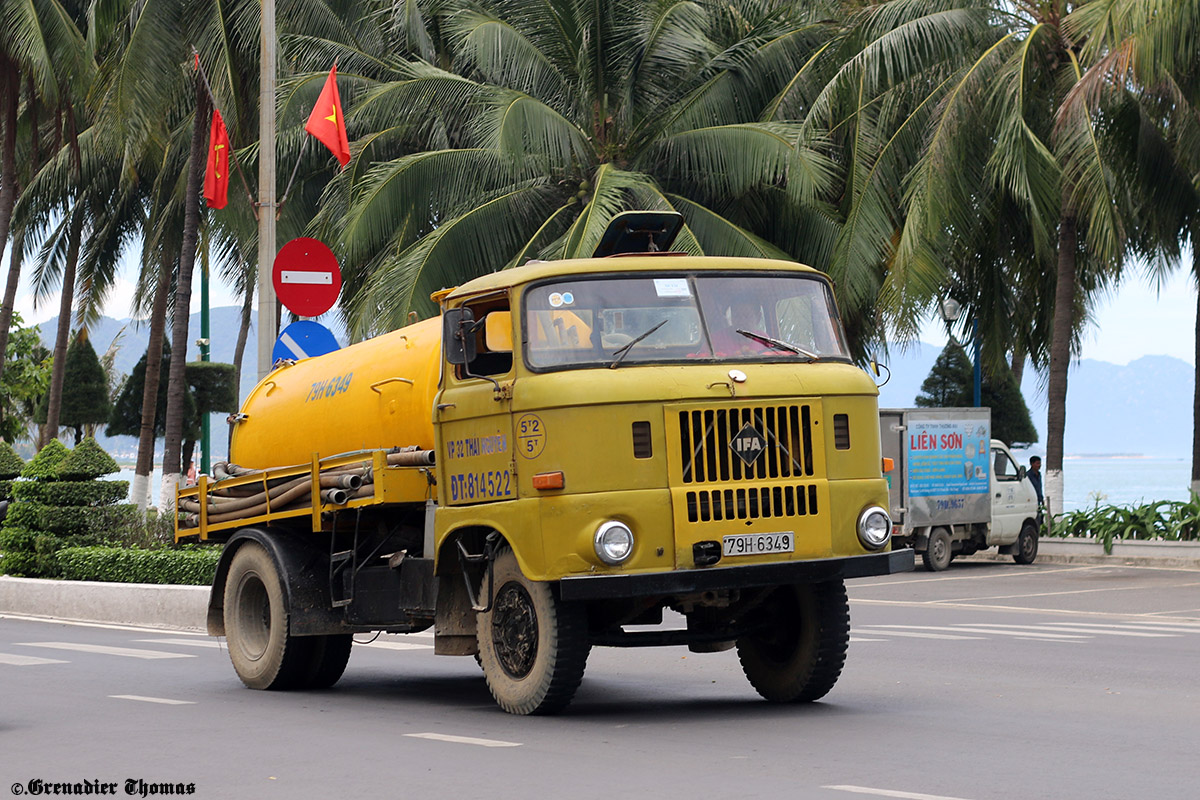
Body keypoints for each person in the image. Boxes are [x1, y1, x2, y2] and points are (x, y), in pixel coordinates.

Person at [1028, 455, 1044, 527]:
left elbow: (1039, 488)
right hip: (1032, 500)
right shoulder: (1028, 475)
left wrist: (1042, 499)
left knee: (1040, 518)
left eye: (1040, 463)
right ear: (1032, 464)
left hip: (1039, 500)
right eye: (1037, 463)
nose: (1039, 465)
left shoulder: (1039, 474)